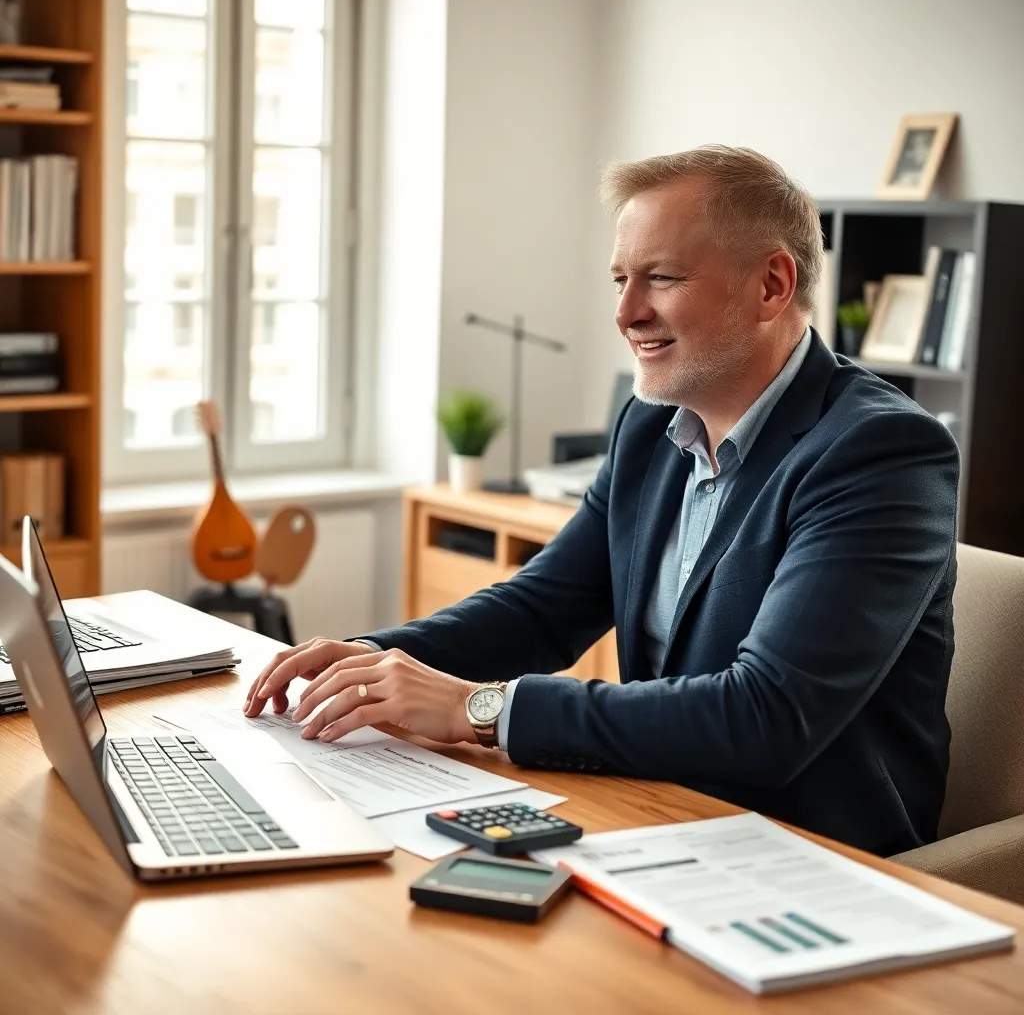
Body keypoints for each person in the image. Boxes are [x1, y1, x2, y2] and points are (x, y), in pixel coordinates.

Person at [245, 146, 959, 857]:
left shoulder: (881, 451)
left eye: (662, 278)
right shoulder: (651, 426)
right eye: (621, 279)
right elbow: (545, 607)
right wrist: (370, 660)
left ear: (772, 285)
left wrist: (476, 707)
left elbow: (767, 716)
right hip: (658, 808)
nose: (626, 313)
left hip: (812, 854)